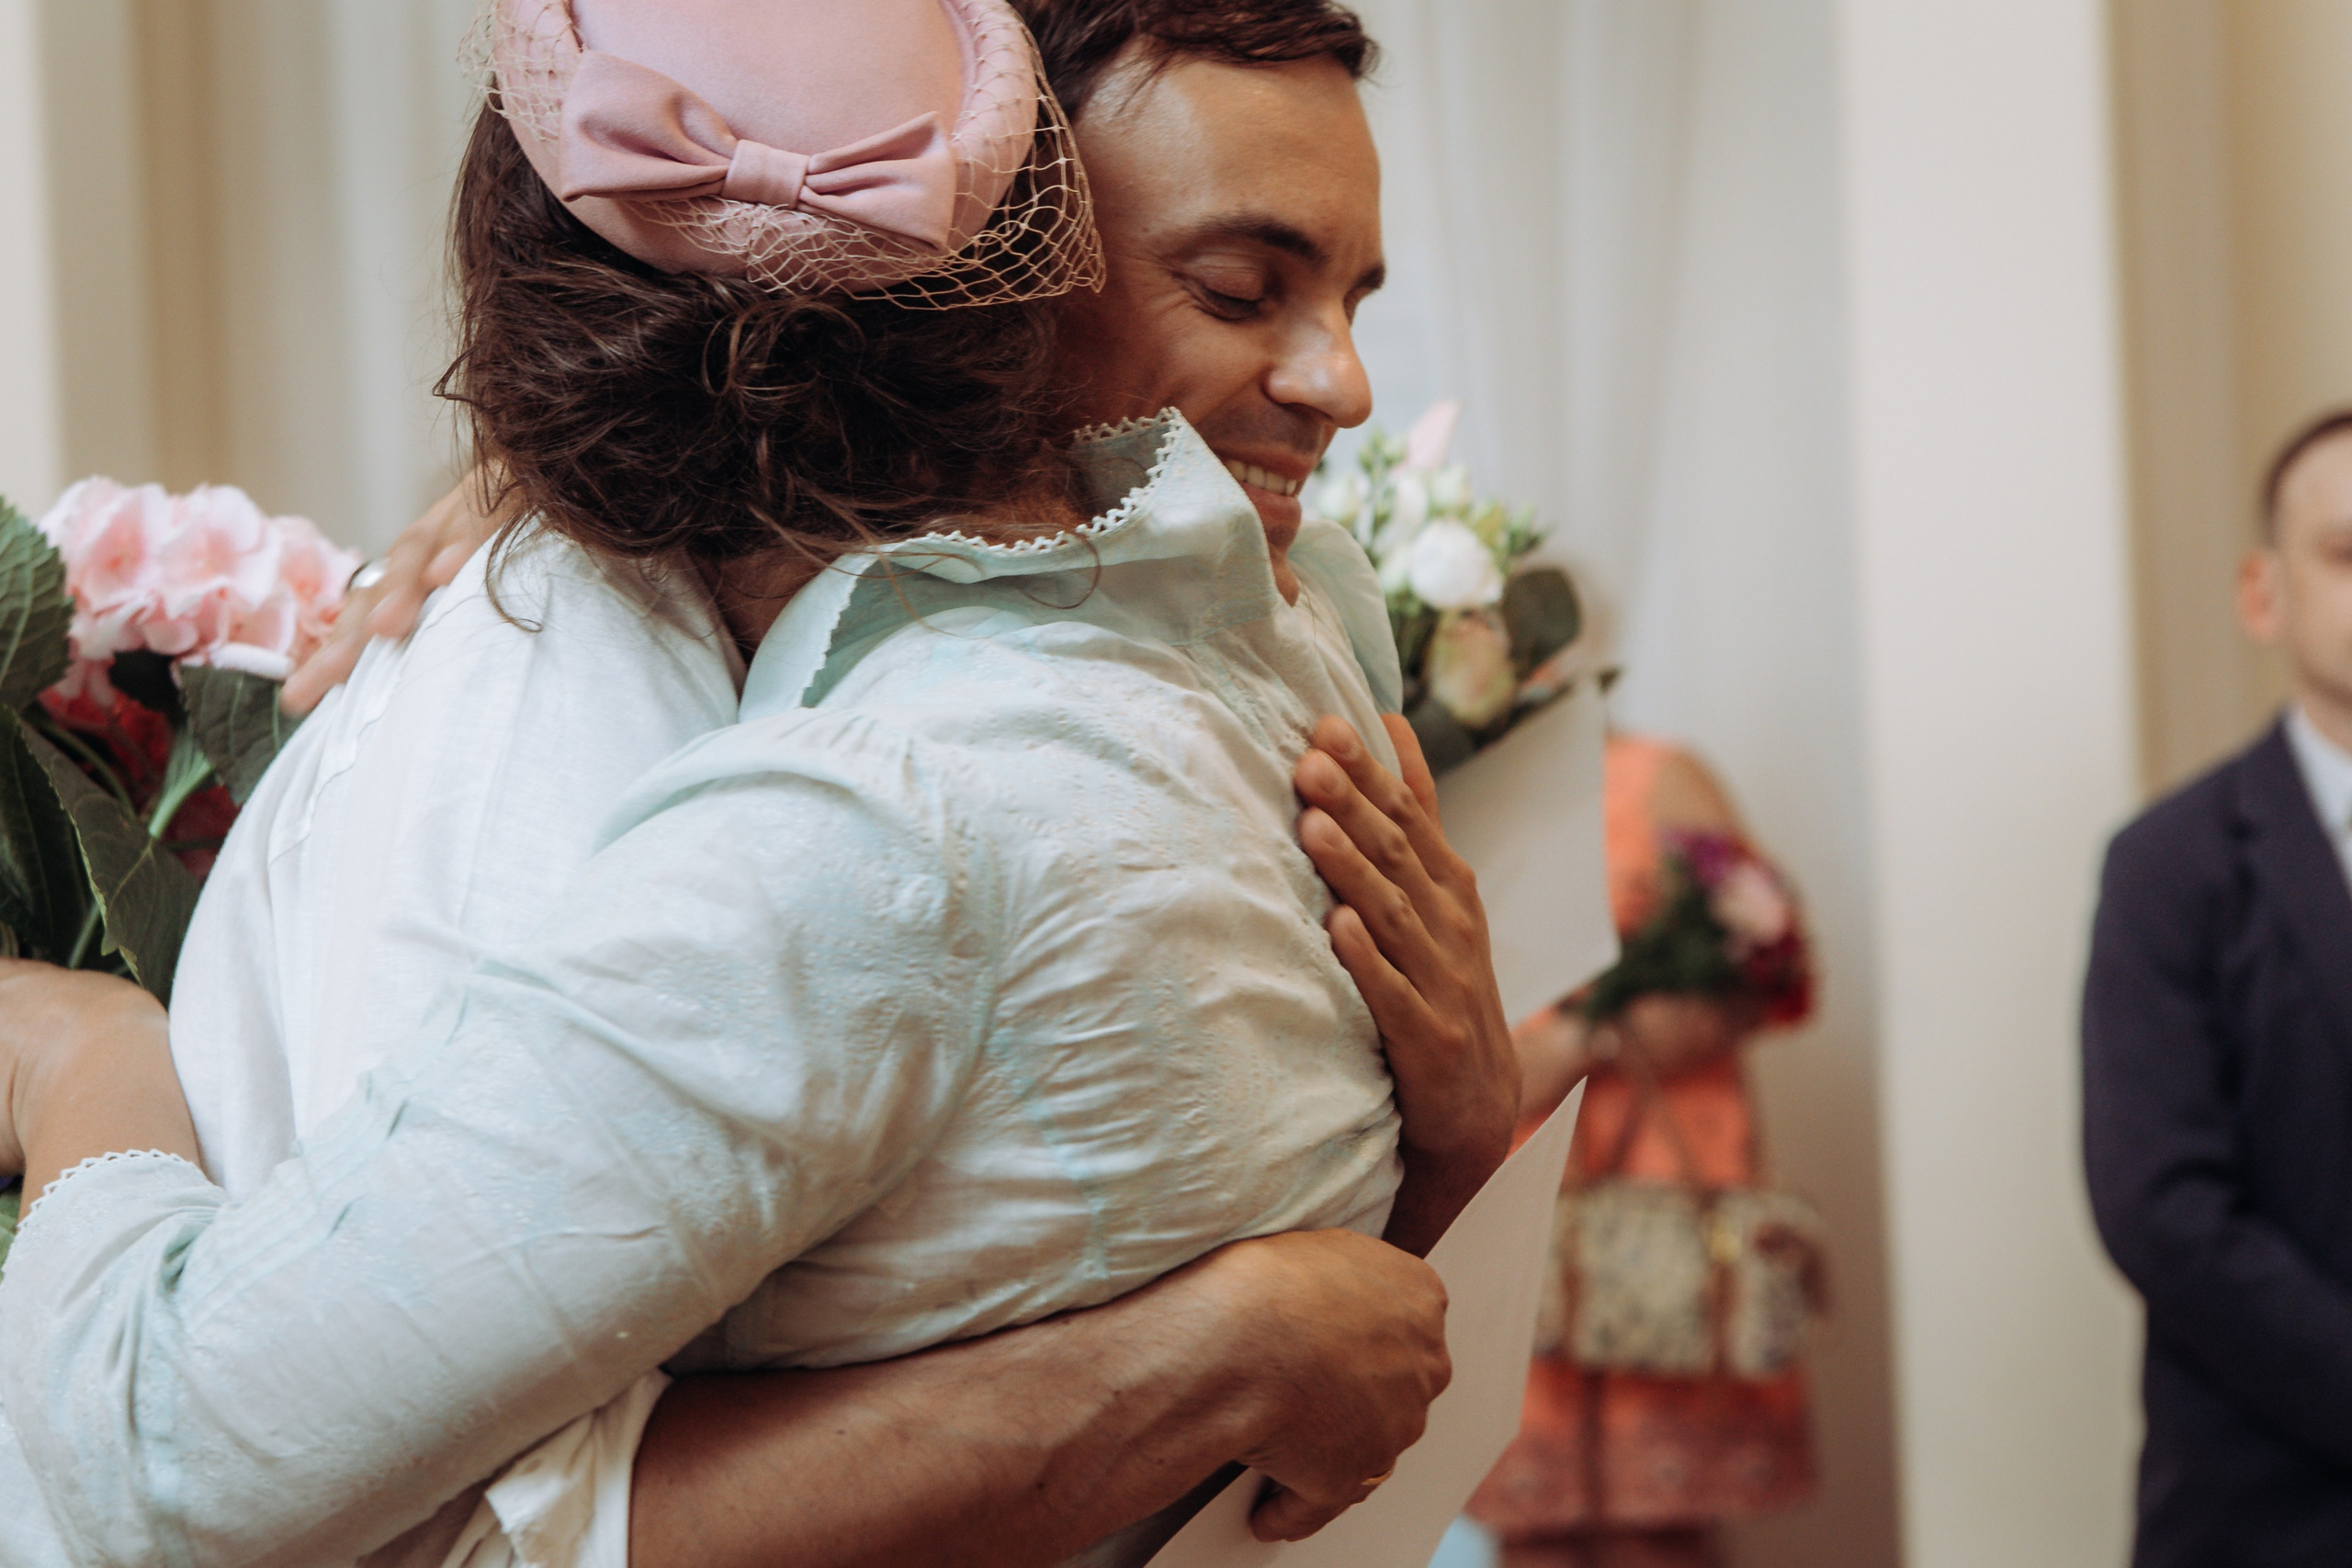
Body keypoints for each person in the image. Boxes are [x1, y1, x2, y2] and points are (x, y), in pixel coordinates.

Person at [0, 5, 1519, 1568]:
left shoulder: (935, 792)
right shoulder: (1233, 640)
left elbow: (196, 1471)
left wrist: (76, 1051)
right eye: (1238, 287)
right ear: (1005, 274)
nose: (1342, 384)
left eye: (1343, 294)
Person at [2086, 408, 2352, 1568]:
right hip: (2268, 1511)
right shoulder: (2170, 866)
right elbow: (2164, 1210)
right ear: (2265, 593)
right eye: (2347, 555)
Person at [1467, 736, 1816, 1568]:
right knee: (1532, 1528)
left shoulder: (1659, 779)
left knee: (1655, 1532)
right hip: (1513, 1186)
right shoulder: (1448, 786)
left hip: (1657, 1191)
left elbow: (1767, 973)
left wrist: (1580, 1043)